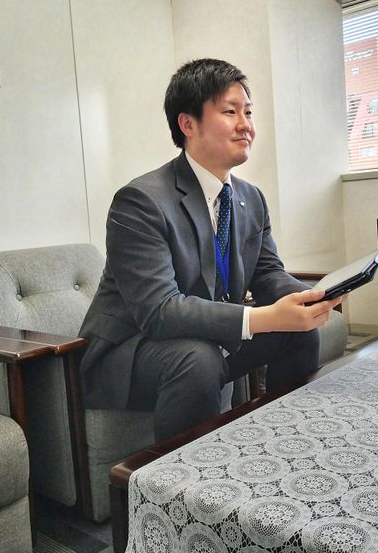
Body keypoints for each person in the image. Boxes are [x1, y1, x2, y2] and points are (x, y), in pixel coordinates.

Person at [78, 58, 342, 441]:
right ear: (188, 124)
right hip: (133, 349)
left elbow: (268, 274)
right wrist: (262, 318)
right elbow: (159, 312)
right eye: (230, 112)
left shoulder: (250, 198)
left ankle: (285, 441)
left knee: (298, 332)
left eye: (248, 112)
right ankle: (186, 476)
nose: (246, 125)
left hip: (204, 336)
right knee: (197, 360)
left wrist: (311, 297)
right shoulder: (140, 201)